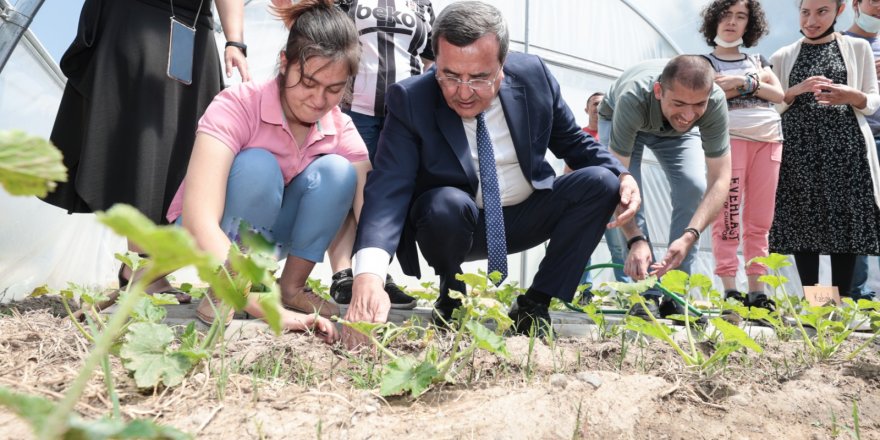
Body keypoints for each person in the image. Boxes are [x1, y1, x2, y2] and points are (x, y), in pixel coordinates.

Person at [341, 1, 641, 346]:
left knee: (601, 182)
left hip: (526, 215)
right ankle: (451, 293)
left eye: (480, 78)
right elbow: (389, 188)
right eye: (450, 76)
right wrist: (368, 276)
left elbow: (573, 142)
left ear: (503, 65)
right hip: (452, 225)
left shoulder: (534, 77)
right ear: (435, 62)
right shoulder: (412, 99)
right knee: (445, 203)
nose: (464, 92)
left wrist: (622, 175)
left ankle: (535, 304)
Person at [168, 0, 372, 344]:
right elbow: (199, 218)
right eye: (308, 82)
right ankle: (227, 290)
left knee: (339, 172)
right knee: (258, 166)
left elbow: (370, 204)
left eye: (334, 89)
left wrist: (370, 280)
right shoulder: (237, 105)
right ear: (284, 63)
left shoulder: (339, 125)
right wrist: (262, 307)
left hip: (271, 236)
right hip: (213, 237)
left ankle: (290, 287)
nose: (318, 100)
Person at [43, 0, 251, 303]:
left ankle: (147, 267)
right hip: (137, 14)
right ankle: (140, 266)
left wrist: (234, 40)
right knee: (144, 138)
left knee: (190, 143)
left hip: (194, 23)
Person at [597, 55, 732, 316]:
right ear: (659, 91)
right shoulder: (633, 97)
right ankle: (645, 292)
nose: (689, 114)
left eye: (698, 105)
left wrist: (690, 235)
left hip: (676, 134)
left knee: (693, 185)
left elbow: (720, 178)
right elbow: (617, 180)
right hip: (620, 118)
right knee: (628, 189)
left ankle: (674, 292)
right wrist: (635, 239)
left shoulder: (714, 102)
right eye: (679, 102)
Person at [327, 0, 436, 309]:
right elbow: (329, 39)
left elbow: (431, 60)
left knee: (385, 195)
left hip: (402, 116)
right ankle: (343, 274)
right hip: (354, 110)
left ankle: (375, 273)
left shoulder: (422, 3)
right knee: (349, 188)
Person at [769, 0, 880, 298]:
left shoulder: (858, 49)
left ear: (839, 11)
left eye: (821, 12)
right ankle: (816, 307)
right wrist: (794, 91)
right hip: (798, 153)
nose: (812, 20)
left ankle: (841, 305)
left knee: (845, 227)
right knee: (804, 228)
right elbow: (770, 106)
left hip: (846, 151)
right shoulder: (783, 55)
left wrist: (851, 95)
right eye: (806, 12)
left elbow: (872, 100)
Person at [699, 0, 784, 311]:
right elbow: (711, 93)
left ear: (750, 23)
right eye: (726, 15)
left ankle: (758, 291)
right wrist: (755, 85)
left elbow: (779, 95)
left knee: (760, 219)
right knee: (728, 217)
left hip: (770, 141)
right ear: (714, 20)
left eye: (740, 16)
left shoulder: (759, 59)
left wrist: (739, 82)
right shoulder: (704, 62)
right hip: (729, 141)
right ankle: (730, 289)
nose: (732, 22)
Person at [844, 0, 880, 300]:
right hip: (859, 141)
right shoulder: (842, 45)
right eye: (873, 1)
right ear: (856, 4)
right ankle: (858, 296)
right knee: (860, 219)